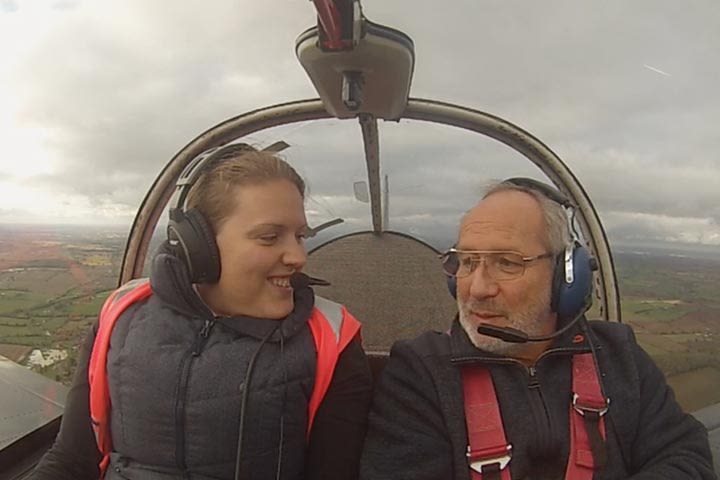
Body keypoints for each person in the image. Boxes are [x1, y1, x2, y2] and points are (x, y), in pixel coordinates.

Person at [31, 144, 373, 480]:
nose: (298, 257)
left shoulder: (331, 339)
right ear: (198, 245)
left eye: (300, 236)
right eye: (270, 237)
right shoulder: (122, 314)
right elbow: (73, 460)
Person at [360, 178, 716, 480]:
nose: (478, 288)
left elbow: (686, 458)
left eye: (507, 263)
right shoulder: (420, 372)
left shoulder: (619, 355)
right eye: (468, 261)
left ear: (566, 276)